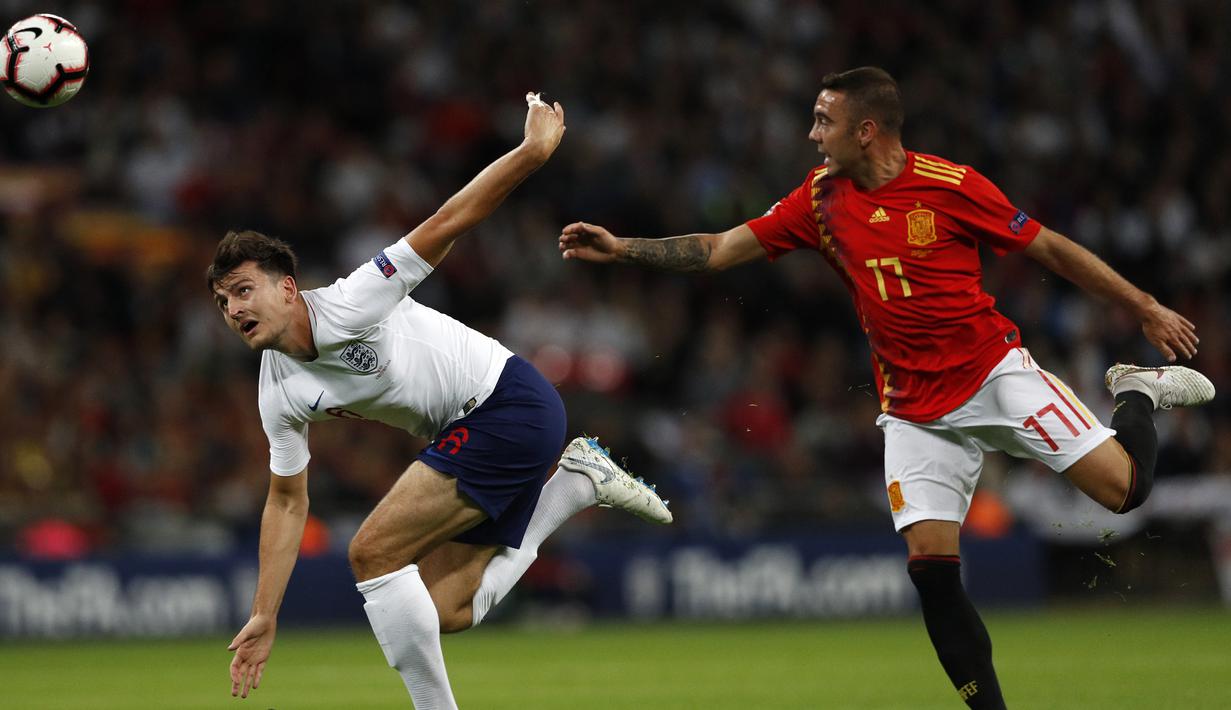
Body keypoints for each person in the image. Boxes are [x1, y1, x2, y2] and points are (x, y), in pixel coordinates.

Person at [558, 67, 1215, 709]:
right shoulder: (817, 199)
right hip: (912, 413)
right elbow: (721, 248)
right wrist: (622, 249)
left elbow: (1050, 249)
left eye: (824, 121)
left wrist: (1143, 305)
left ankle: (1135, 391)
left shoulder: (950, 186)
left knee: (1125, 492)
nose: (812, 135)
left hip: (993, 375)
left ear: (866, 130)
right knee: (930, 571)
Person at [211, 94, 672, 708]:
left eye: (243, 290)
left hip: (509, 403)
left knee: (372, 551)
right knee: (442, 610)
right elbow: (287, 501)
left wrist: (532, 153)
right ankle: (574, 485)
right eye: (222, 302)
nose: (234, 309)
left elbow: (449, 221)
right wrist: (265, 614)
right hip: (472, 432)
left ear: (288, 287)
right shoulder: (277, 388)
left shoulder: (352, 301)